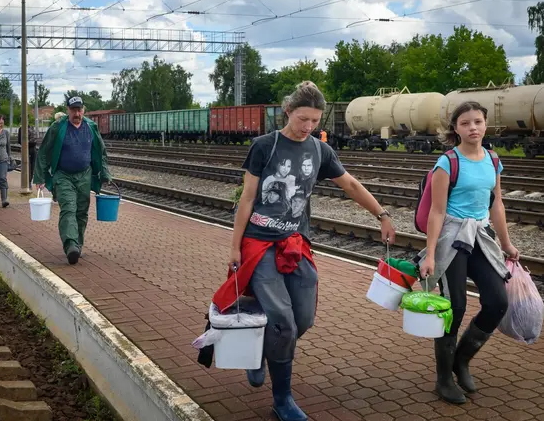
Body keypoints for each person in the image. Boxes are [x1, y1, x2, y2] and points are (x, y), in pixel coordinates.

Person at [214, 81, 396, 421]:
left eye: (314, 121)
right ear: (287, 112)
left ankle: (261, 353)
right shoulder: (264, 147)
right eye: (302, 119)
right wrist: (235, 246)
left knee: (303, 319)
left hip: (295, 242)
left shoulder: (320, 150)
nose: (308, 127)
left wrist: (381, 214)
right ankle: (282, 399)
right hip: (259, 242)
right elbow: (247, 197)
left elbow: (351, 184)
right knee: (283, 321)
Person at [416, 101, 517, 405]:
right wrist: (430, 254)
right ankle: (444, 378)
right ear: (456, 128)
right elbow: (436, 211)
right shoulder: (447, 162)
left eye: (478, 121)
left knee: (498, 302)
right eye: (465, 123)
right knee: (454, 307)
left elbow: (496, 204)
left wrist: (507, 242)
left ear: (486, 125)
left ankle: (461, 359)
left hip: (481, 237)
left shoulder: (493, 160)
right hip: (452, 237)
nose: (473, 127)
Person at [34, 96, 111, 265]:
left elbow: (101, 152)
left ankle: (78, 244)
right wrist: (39, 176)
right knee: (69, 208)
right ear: (68, 110)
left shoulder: (91, 127)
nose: (77, 113)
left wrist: (104, 173)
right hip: (63, 175)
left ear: (83, 110)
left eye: (79, 109)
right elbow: (44, 151)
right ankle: (70, 245)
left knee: (82, 212)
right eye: (74, 110)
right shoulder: (58, 127)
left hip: (85, 175)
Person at [18, 123, 38, 189]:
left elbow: (19, 141)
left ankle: (29, 182)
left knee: (31, 166)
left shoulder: (22, 128)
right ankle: (28, 182)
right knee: (29, 166)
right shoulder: (30, 128)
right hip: (30, 149)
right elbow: (20, 140)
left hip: (30, 149)